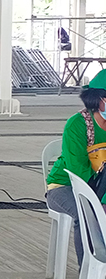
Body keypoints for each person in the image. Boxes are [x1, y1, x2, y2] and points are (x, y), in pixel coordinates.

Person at [46, 72, 106, 266]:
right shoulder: (78, 124)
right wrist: (101, 201)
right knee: (87, 215)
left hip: (102, 189)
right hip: (65, 187)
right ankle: (90, 275)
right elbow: (78, 173)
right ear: (98, 99)